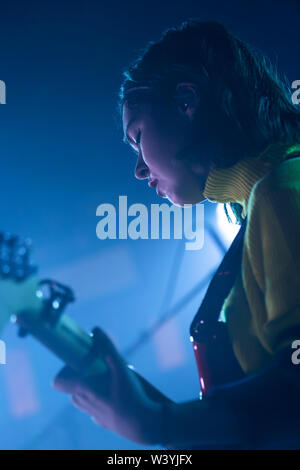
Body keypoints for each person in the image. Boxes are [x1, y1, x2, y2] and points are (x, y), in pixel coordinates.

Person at [53, 20, 300, 449]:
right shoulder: (263, 202)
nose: (138, 170)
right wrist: (145, 408)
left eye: (139, 136)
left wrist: (158, 426)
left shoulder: (282, 191)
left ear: (187, 100)